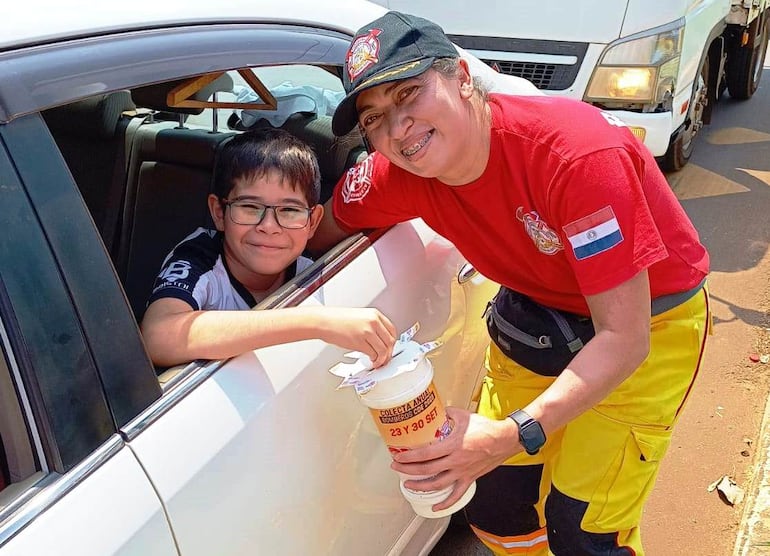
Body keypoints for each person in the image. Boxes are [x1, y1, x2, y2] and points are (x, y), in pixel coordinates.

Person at [309, 11, 711, 555]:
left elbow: (626, 337)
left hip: (649, 324)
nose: (397, 127)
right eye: (374, 118)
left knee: (584, 532)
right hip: (539, 317)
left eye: (409, 94)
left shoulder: (574, 157)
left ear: (463, 77)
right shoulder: (397, 175)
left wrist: (513, 432)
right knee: (496, 508)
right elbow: (316, 228)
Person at [140, 128, 396, 369]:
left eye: (290, 210)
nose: (269, 226)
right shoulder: (199, 259)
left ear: (313, 221)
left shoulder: (310, 266)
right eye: (250, 207)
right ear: (219, 212)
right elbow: (157, 336)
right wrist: (317, 322)